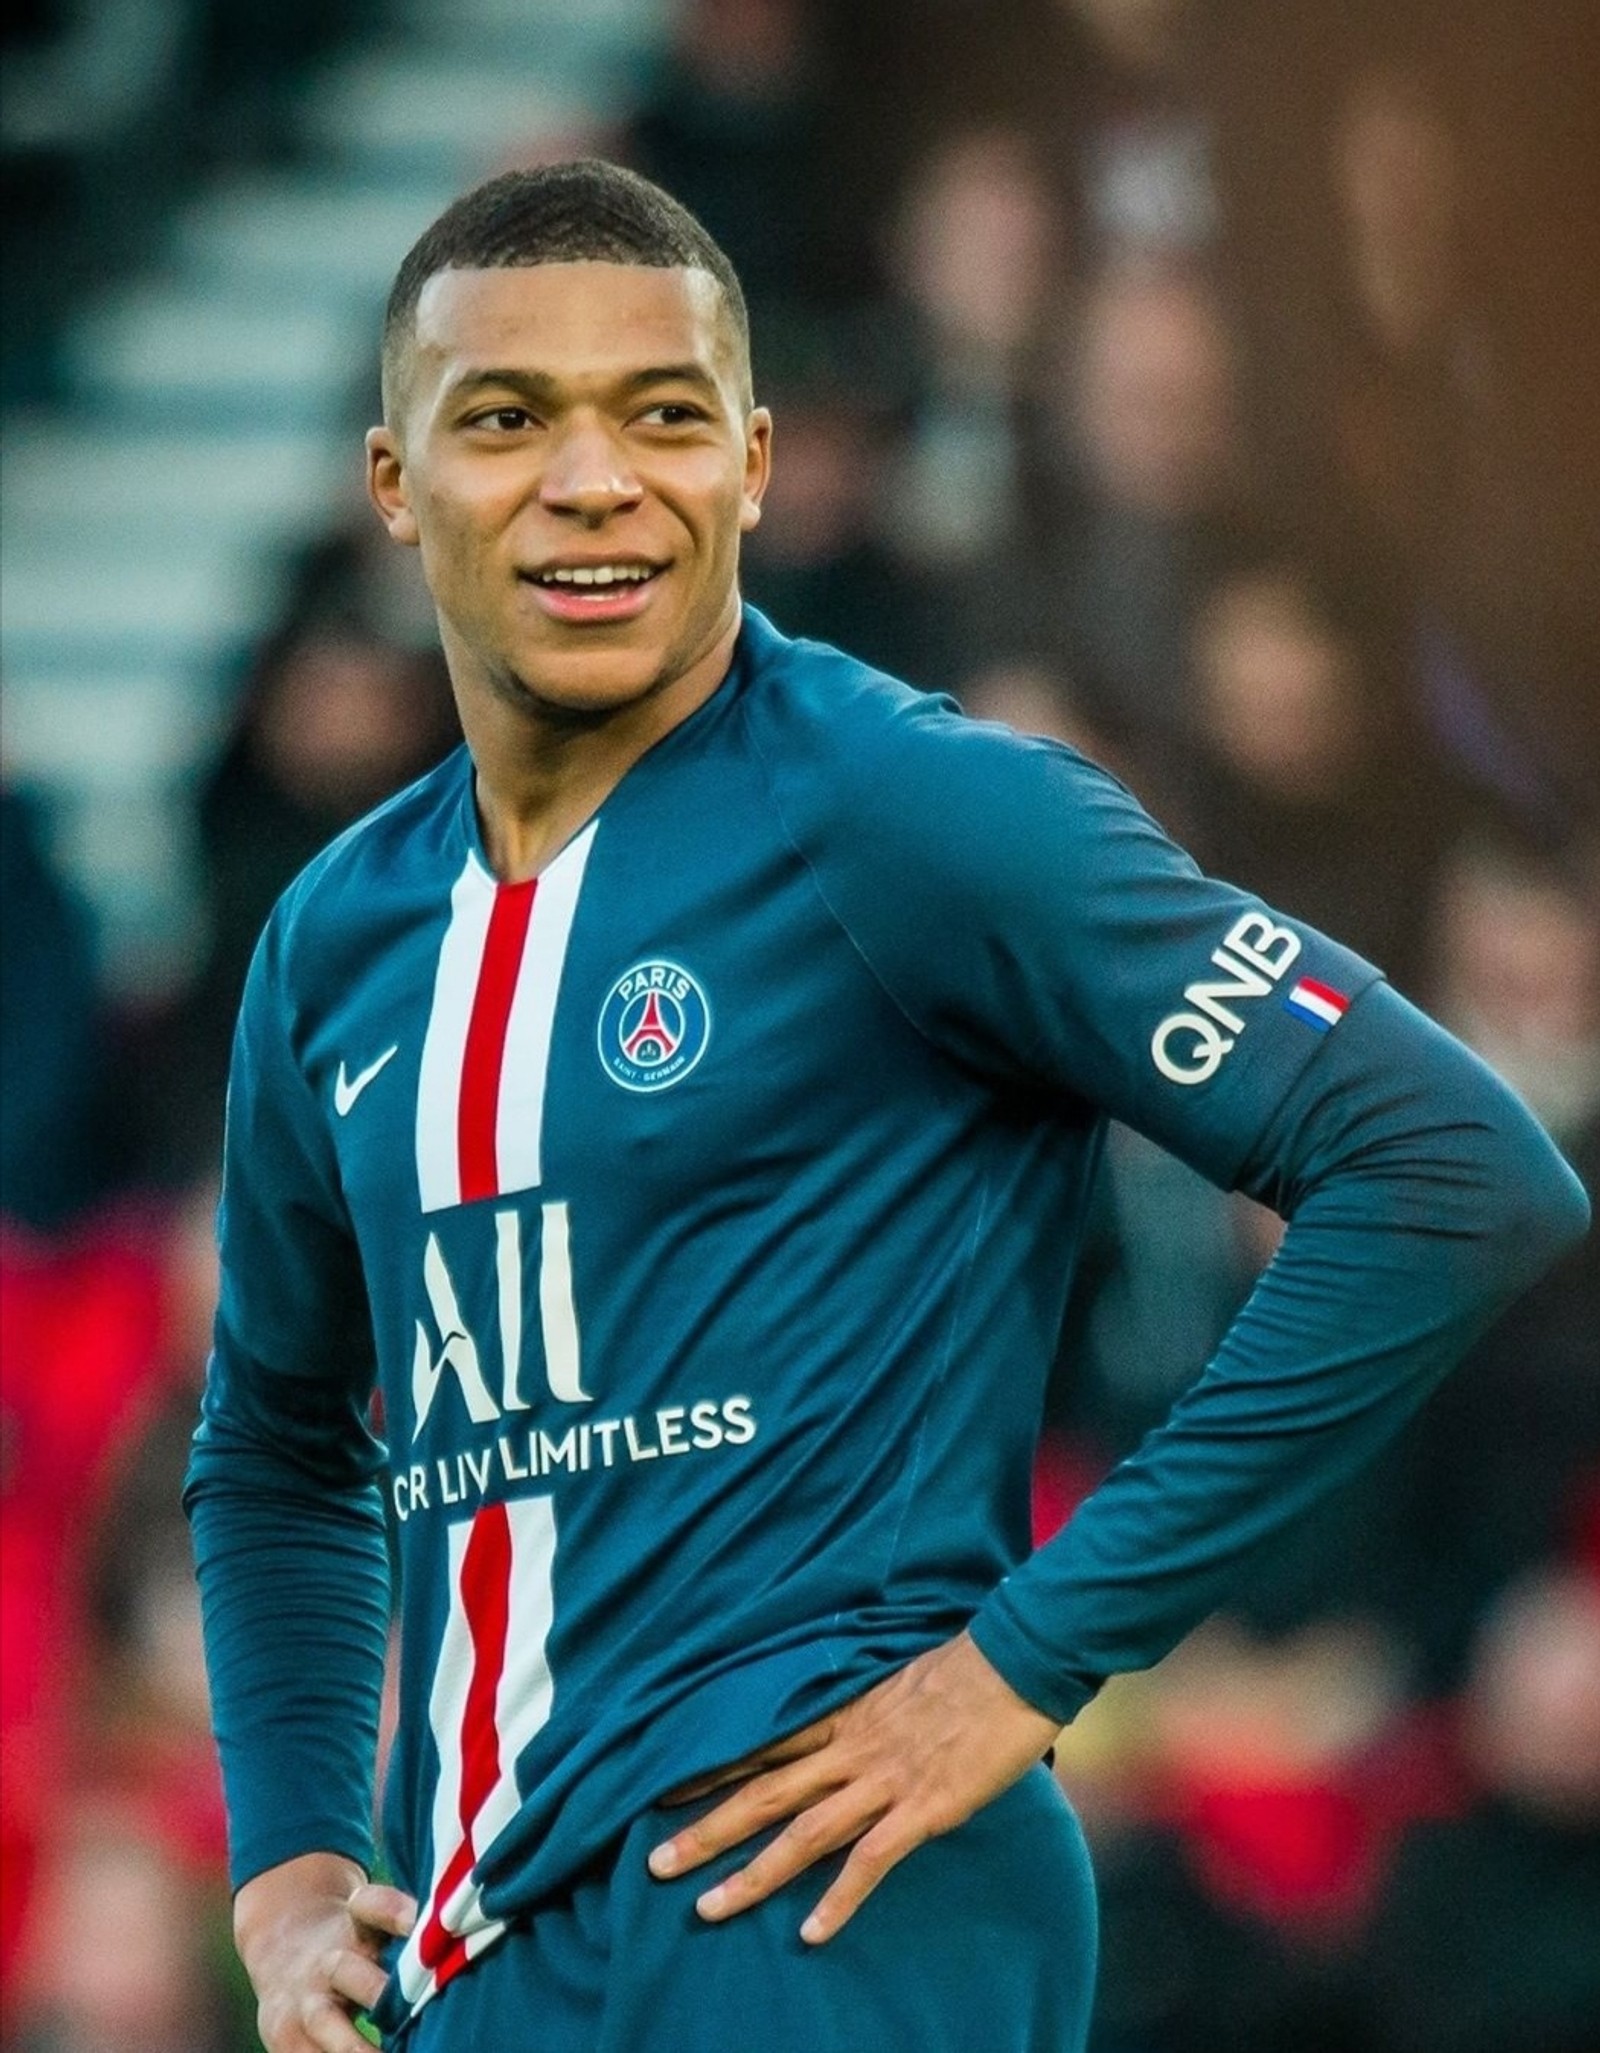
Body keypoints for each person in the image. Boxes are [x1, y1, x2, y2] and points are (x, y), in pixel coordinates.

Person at [184, 159, 1589, 2053]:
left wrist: (1033, 1655)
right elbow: (275, 1434)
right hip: (477, 1959)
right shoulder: (336, 938)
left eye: (663, 414)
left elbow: (1453, 1168)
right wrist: (283, 1877)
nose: (594, 478)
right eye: (507, 419)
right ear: (392, 483)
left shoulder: (916, 814)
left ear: (754, 465)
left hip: (826, 1907)